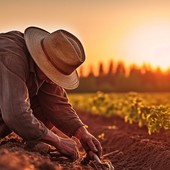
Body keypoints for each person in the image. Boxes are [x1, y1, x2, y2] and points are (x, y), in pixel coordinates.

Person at [0, 26, 102, 161]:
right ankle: (35, 139)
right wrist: (57, 141)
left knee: (46, 106)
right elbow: (15, 113)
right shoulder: (12, 56)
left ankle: (33, 141)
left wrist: (83, 133)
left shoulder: (43, 64)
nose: (53, 79)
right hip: (9, 111)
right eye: (52, 73)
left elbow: (57, 103)